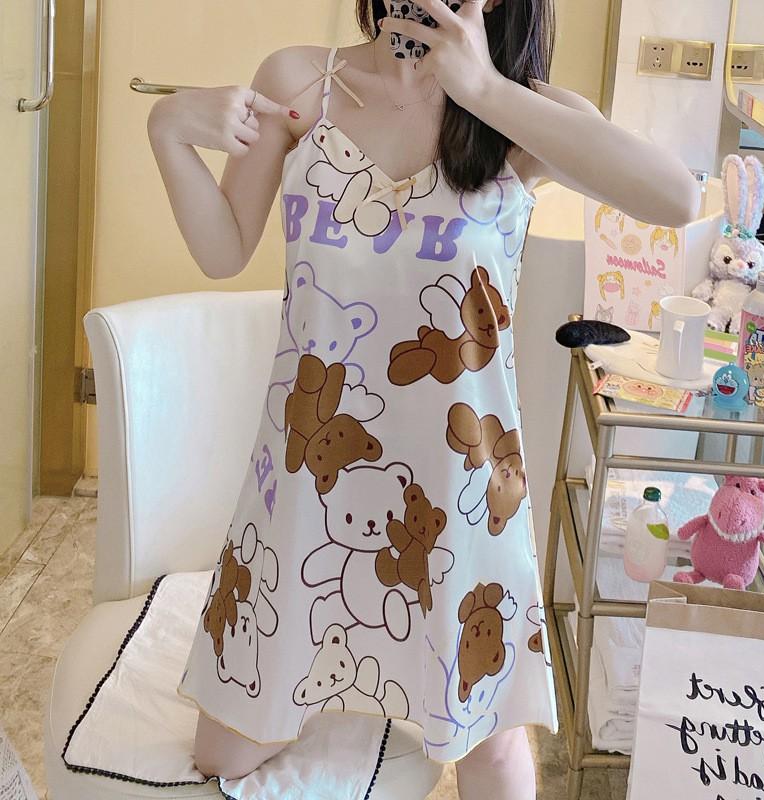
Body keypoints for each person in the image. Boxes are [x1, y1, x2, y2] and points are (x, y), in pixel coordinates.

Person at [147, 1, 699, 798]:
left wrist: (484, 90)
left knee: (492, 758)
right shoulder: (303, 83)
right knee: (222, 754)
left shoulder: (520, 114)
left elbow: (675, 199)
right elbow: (223, 249)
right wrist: (169, 128)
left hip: (462, 500)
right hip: (306, 495)